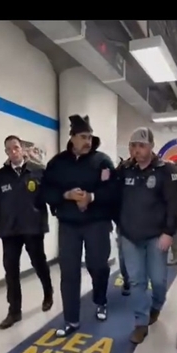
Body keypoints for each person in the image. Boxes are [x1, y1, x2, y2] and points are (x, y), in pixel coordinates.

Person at [41, 115, 115, 337]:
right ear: (72, 138)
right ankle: (71, 320)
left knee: (98, 265)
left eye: (90, 137)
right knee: (69, 272)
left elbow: (113, 190)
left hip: (97, 223)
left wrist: (91, 197)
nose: (88, 141)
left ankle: (100, 300)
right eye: (83, 137)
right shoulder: (57, 163)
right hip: (69, 225)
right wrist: (66, 195)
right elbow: (45, 191)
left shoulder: (102, 161)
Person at [116, 127, 177, 344]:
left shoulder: (166, 171)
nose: (137, 150)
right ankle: (140, 323)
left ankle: (156, 305)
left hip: (156, 236)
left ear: (151, 146)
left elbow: (173, 205)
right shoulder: (125, 170)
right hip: (129, 236)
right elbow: (113, 197)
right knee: (136, 281)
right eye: (133, 146)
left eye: (141, 146)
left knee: (158, 280)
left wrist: (169, 233)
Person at [0, 135, 53, 330]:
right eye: (9, 149)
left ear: (22, 148)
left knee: (39, 263)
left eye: (16, 147)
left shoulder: (38, 171)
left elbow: (51, 195)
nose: (13, 152)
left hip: (33, 227)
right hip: (9, 230)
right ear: (6, 152)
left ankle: (48, 293)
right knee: (11, 270)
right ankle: (14, 311)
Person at [115, 150, 135, 296]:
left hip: (147, 220)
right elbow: (113, 192)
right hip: (124, 219)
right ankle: (127, 280)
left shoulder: (153, 169)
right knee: (124, 254)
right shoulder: (123, 169)